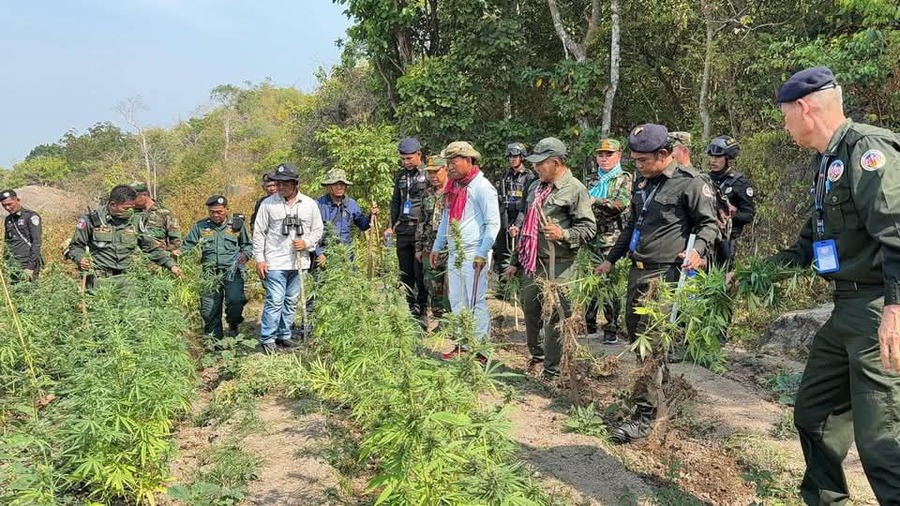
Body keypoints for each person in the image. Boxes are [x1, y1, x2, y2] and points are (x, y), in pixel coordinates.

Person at [765, 66, 900, 504]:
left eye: (785, 115)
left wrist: (896, 312)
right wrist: (760, 272)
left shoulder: (868, 149)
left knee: (882, 438)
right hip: (845, 308)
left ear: (804, 108)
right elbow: (813, 237)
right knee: (814, 413)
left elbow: (897, 232)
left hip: (878, 308)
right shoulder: (827, 161)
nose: (785, 126)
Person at [596, 124, 718, 443]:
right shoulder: (641, 183)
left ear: (663, 155)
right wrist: (611, 259)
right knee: (637, 339)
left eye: (642, 160)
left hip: (664, 277)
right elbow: (631, 226)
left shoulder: (690, 184)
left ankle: (644, 417)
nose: (637, 165)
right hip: (637, 272)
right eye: (634, 160)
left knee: (649, 346)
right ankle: (655, 400)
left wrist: (696, 252)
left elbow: (709, 225)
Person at [503, 137, 596, 380]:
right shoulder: (535, 187)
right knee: (531, 311)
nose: (535, 168)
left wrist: (563, 234)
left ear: (556, 162)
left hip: (561, 266)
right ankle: (537, 357)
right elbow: (526, 227)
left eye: (540, 164)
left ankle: (553, 372)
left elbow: (588, 228)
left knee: (555, 318)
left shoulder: (575, 189)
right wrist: (515, 261)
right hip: (533, 263)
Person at [430, 142, 501, 360]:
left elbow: (493, 223)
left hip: (474, 252)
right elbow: (446, 219)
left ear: (469, 160)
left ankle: (481, 350)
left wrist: (482, 252)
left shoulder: (482, 187)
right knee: (457, 300)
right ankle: (463, 344)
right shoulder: (454, 187)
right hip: (456, 251)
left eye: (454, 161)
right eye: (448, 162)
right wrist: (437, 246)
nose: (449, 166)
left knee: (475, 301)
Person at [252, 163, 323, 353]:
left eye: (285, 183)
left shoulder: (309, 204)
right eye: (279, 183)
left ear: (295, 183)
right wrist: (260, 258)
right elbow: (259, 232)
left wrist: (306, 243)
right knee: (275, 299)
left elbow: (318, 230)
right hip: (275, 260)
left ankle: (284, 335)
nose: (281, 187)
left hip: (300, 261)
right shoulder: (268, 204)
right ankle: (268, 338)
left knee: (291, 300)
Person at [68, 184, 181, 288]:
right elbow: (76, 247)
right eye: (126, 208)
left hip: (127, 281)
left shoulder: (135, 221)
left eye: (132, 207)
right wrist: (80, 259)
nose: (130, 212)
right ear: (113, 205)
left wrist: (171, 265)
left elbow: (150, 248)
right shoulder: (91, 220)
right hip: (99, 281)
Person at [178, 195, 252, 340]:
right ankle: (214, 340)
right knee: (209, 308)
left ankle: (233, 324)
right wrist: (177, 255)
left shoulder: (236, 225)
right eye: (212, 212)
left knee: (236, 301)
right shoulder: (201, 226)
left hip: (232, 271)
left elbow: (247, 245)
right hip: (209, 273)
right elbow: (187, 246)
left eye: (219, 211)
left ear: (226, 209)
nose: (216, 215)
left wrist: (245, 255)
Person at [585, 138, 632, 344]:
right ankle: (589, 323)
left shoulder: (624, 178)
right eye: (600, 154)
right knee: (590, 282)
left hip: (611, 238)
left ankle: (611, 327)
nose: (603, 159)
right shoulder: (592, 179)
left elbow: (621, 204)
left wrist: (597, 201)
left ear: (619, 156)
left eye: (608, 154)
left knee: (610, 284)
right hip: (590, 237)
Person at [387, 137, 429, 318]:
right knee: (405, 273)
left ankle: (423, 309)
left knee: (420, 272)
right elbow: (396, 202)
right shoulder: (400, 176)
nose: (406, 162)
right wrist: (391, 226)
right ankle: (411, 307)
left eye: (409, 158)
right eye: (403, 159)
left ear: (419, 154)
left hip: (420, 231)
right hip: (403, 229)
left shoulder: (428, 174)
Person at [705, 135, 756, 268]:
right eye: (712, 157)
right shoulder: (704, 180)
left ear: (727, 159)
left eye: (718, 157)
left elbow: (749, 215)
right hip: (706, 239)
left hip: (727, 242)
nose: (713, 161)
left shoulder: (740, 183)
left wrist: (729, 215)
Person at [314, 168, 377, 268]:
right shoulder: (318, 204)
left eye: (342, 184)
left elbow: (363, 225)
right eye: (335, 184)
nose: (339, 187)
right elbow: (311, 232)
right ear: (328, 186)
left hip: (346, 254)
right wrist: (319, 254)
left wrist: (371, 216)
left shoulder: (351, 204)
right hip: (325, 254)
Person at [493, 142, 535, 288]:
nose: (513, 159)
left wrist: (518, 225)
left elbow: (527, 204)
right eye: (510, 156)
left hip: (522, 218)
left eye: (516, 156)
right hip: (505, 216)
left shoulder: (530, 177)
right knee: (502, 251)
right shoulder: (504, 177)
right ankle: (503, 287)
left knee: (520, 253)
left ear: (522, 157)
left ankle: (520, 287)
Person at [416, 156, 451, 320]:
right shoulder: (426, 193)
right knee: (432, 284)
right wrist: (419, 247)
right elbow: (421, 221)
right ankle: (439, 318)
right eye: (429, 173)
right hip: (430, 247)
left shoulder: (454, 191)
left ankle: (452, 319)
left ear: (445, 169)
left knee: (451, 286)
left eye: (435, 172)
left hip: (450, 246)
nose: (432, 176)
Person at [1, 189, 42, 282]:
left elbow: (36, 242)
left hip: (27, 263)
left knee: (29, 293)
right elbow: (7, 242)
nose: (7, 208)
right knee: (16, 292)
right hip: (13, 264)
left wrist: (30, 267)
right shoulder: (8, 219)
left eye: (9, 204)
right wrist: (5, 262)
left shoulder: (31, 216)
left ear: (18, 200)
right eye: (4, 205)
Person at [131, 182, 182, 253]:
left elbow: (175, 241)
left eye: (133, 197)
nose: (131, 201)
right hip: (136, 258)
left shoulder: (164, 213)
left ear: (144, 195)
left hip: (157, 259)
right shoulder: (131, 214)